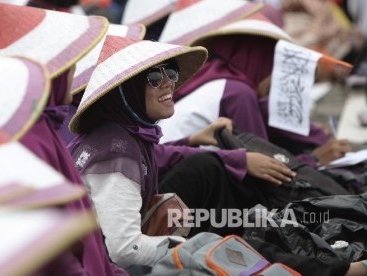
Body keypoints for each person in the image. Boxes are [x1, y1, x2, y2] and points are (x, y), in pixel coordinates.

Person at [66, 35, 367, 275]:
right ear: (126, 92)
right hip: (117, 266)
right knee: (230, 239)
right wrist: (190, 244)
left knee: (233, 227)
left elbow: (162, 156)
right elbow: (123, 250)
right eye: (154, 79)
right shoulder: (117, 153)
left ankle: (336, 267)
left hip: (135, 246)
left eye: (169, 73)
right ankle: (344, 270)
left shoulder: (125, 135)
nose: (170, 83)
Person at [0, 2, 127, 275]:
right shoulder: (29, 141)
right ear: (53, 75)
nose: (74, 73)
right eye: (69, 65)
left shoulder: (43, 126)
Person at [158, 1, 354, 168]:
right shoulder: (237, 93)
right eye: (273, 61)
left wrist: (312, 134)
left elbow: (269, 118)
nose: (277, 74)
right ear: (259, 60)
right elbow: (267, 170)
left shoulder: (221, 80)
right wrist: (316, 159)